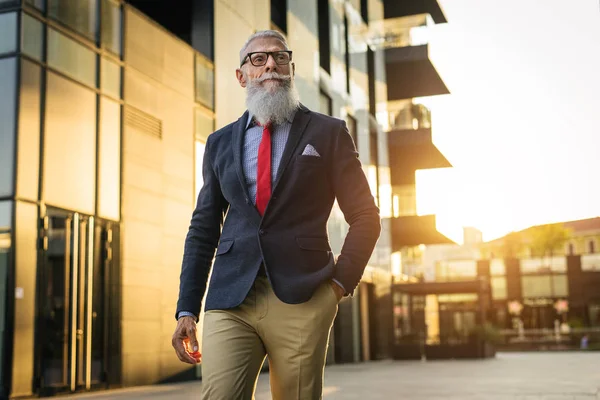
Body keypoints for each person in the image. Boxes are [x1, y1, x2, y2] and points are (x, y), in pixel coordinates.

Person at [171, 29, 381, 400]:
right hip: (230, 296)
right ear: (242, 76)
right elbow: (203, 227)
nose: (271, 64)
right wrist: (187, 307)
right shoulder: (219, 142)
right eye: (258, 58)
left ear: (291, 69)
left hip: (303, 296)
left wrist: (337, 287)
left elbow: (365, 216)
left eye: (280, 57)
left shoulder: (328, 132)